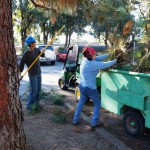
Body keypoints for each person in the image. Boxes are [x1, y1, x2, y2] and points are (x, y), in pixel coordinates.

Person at [73, 47, 117, 129]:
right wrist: (115, 60)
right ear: (90, 56)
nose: (95, 55)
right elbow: (106, 64)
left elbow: (99, 58)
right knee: (97, 104)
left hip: (82, 86)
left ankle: (75, 120)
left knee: (81, 103)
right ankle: (94, 123)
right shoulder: (92, 64)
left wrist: (110, 54)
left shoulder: (85, 60)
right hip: (90, 89)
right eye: (94, 54)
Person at [19, 36, 44, 110]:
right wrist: (20, 73)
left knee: (39, 90)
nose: (35, 43)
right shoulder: (26, 54)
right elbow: (21, 64)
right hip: (32, 74)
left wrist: (43, 52)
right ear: (30, 44)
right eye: (34, 42)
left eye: (35, 42)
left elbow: (42, 55)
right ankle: (29, 105)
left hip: (38, 72)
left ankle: (36, 104)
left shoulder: (37, 50)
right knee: (34, 91)